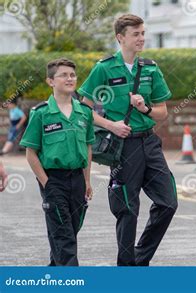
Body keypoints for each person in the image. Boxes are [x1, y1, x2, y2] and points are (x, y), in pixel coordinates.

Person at [78, 14, 177, 266]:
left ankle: (139, 258)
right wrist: (110, 124)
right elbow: (83, 110)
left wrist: (144, 109)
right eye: (136, 34)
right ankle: (126, 269)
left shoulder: (151, 68)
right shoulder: (104, 68)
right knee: (127, 209)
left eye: (143, 33)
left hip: (149, 142)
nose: (141, 38)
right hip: (123, 146)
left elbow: (162, 112)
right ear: (120, 37)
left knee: (168, 202)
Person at [19, 58, 94, 266]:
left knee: (69, 232)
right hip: (54, 180)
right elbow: (31, 153)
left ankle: (53, 275)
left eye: (72, 75)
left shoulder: (84, 112)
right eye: (64, 75)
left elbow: (87, 148)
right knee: (64, 236)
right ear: (50, 81)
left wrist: (87, 181)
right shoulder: (41, 113)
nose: (70, 79)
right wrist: (47, 183)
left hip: (78, 179)